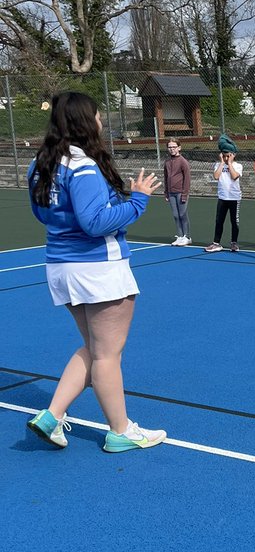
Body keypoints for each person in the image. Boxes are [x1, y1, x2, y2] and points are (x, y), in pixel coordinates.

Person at [25, 91, 166, 453]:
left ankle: (52, 415)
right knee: (107, 355)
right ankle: (120, 430)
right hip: (97, 269)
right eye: (98, 115)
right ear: (86, 121)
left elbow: (43, 214)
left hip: (61, 265)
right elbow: (94, 222)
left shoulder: (41, 163)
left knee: (93, 348)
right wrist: (137, 201)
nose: (102, 120)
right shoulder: (82, 164)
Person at [204, 135, 243, 253]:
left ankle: (234, 243)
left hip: (234, 198)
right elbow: (216, 176)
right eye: (224, 156)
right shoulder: (218, 165)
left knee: (234, 221)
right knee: (219, 220)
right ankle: (216, 243)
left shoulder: (237, 166)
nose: (226, 158)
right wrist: (222, 163)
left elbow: (234, 176)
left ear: (233, 155)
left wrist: (230, 163)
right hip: (222, 197)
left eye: (228, 156)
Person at [163, 138, 191, 245]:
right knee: (175, 215)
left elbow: (187, 180)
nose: (171, 149)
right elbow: (166, 178)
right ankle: (180, 236)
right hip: (171, 193)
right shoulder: (167, 162)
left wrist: (184, 194)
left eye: (174, 147)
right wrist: (166, 192)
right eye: (169, 147)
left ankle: (187, 236)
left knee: (183, 214)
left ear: (179, 148)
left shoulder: (183, 162)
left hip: (180, 192)